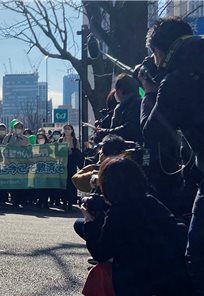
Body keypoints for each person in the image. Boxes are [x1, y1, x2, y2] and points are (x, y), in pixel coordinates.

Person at [138, 16, 204, 293]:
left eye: (154, 53)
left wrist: (150, 93)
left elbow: (153, 130)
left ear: (162, 50)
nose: (154, 60)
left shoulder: (176, 81)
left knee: (198, 257)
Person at [82, 156, 193, 295]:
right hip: (171, 274)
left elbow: (100, 253)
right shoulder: (150, 201)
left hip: (136, 281)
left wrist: (88, 221)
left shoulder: (118, 212)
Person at [72, 135, 130, 240]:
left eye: (101, 153)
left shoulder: (107, 174)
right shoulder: (131, 168)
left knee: (81, 223)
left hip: (116, 220)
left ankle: (107, 250)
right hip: (134, 223)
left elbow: (76, 180)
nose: (99, 156)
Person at [95, 74, 143, 144]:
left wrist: (105, 131)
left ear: (120, 90)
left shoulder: (133, 104)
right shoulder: (134, 103)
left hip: (130, 148)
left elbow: (128, 128)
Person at [60, 124, 84, 211]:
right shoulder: (60, 139)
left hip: (71, 163)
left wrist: (71, 151)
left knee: (71, 182)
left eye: (68, 129)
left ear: (72, 130)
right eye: (65, 129)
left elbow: (78, 153)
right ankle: (64, 201)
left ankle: (70, 202)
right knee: (63, 183)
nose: (67, 130)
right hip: (62, 164)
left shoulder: (75, 141)